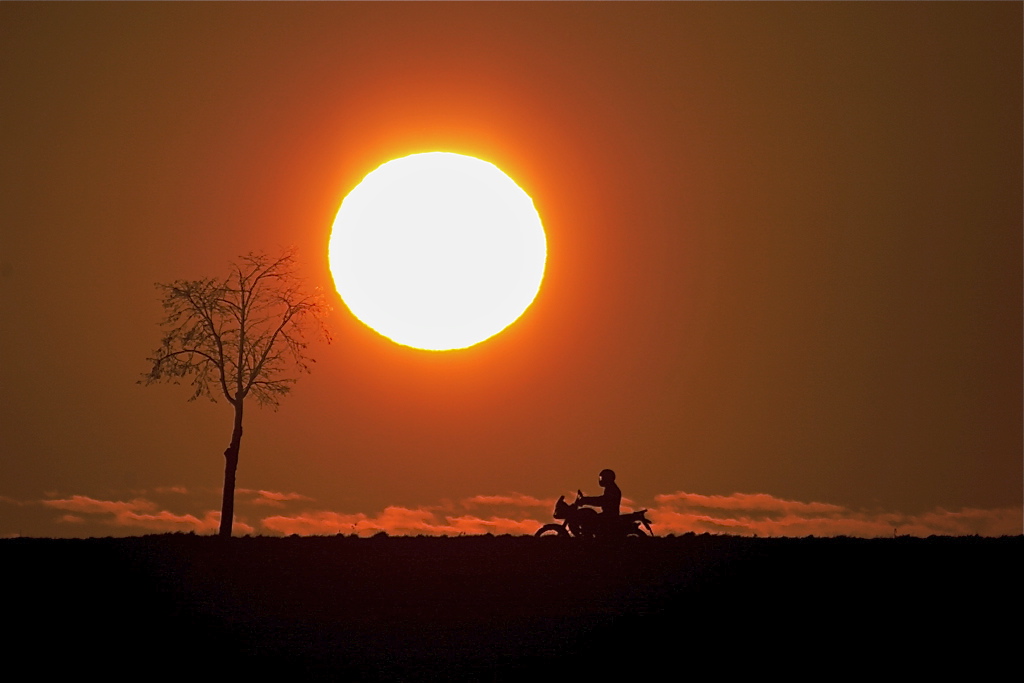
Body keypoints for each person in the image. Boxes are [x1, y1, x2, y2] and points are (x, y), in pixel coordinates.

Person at [577, 469, 621, 537]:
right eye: (600, 478)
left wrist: (586, 500)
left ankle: (589, 540)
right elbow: (602, 500)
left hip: (609, 516)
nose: (600, 480)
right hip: (608, 515)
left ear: (607, 478)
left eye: (602, 478)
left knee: (589, 523)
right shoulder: (610, 488)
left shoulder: (612, 489)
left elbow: (602, 500)